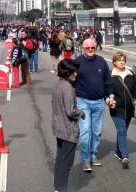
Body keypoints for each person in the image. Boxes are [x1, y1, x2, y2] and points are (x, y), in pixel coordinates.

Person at [74, 38, 114, 173]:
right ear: (83, 48)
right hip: (83, 102)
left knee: (96, 132)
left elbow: (108, 81)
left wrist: (110, 97)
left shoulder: (101, 61)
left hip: (99, 102)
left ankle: (93, 155)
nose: (90, 50)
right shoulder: (77, 62)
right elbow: (71, 81)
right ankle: (85, 160)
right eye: (87, 48)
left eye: (93, 48)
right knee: (85, 131)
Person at [109, 52, 136, 169]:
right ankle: (125, 156)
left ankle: (118, 151)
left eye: (123, 60)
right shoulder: (111, 76)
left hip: (129, 109)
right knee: (121, 131)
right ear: (114, 62)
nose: (121, 62)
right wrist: (109, 100)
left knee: (123, 131)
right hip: (117, 109)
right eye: (119, 60)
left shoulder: (130, 74)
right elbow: (107, 90)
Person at [52, 59, 85, 192]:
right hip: (68, 130)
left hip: (58, 127)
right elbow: (71, 111)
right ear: (67, 73)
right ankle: (62, 189)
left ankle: (57, 187)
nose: (76, 74)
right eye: (73, 72)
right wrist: (81, 112)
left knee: (60, 159)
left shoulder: (58, 84)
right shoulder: (68, 88)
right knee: (66, 163)